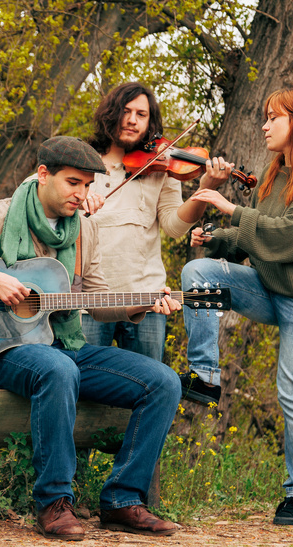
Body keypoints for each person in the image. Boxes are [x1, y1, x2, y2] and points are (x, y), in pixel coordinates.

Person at [0, 136, 183, 541]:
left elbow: (95, 300)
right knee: (57, 369)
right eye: (73, 182)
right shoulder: (0, 215)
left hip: (66, 346)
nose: (82, 194)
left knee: (163, 382)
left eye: (88, 186)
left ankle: (123, 499)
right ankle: (54, 504)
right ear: (43, 174)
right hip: (7, 350)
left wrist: (141, 305)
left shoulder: (83, 232)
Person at [179, 87, 293, 526]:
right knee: (199, 274)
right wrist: (215, 238)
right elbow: (256, 236)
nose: (265, 125)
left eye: (274, 117)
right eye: (265, 117)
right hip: (272, 291)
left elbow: (286, 238)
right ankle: (205, 375)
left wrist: (230, 210)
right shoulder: (275, 174)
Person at [82, 82, 234, 362]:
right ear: (111, 114)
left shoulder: (160, 168)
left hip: (147, 298)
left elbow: (174, 226)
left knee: (147, 389)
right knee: (84, 387)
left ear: (150, 122)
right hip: (89, 300)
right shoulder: (83, 163)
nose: (131, 120)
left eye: (141, 114)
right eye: (125, 111)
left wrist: (205, 189)